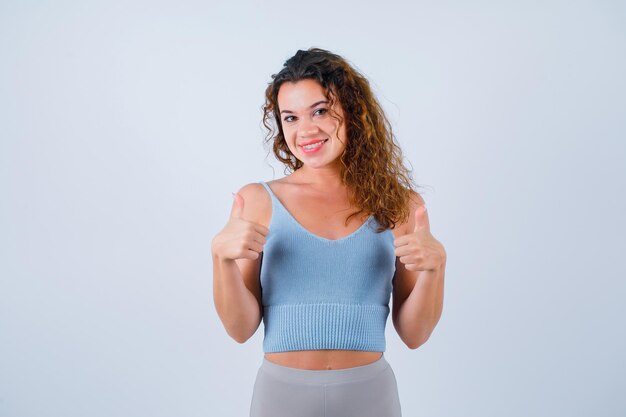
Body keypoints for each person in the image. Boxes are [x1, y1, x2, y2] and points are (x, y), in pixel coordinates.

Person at [211, 47, 447, 417]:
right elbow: (240, 329)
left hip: (370, 396)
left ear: (353, 110)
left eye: (320, 110)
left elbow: (414, 335)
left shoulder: (399, 204)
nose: (305, 130)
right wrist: (220, 260)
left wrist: (436, 268)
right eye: (290, 117)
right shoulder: (257, 201)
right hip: (281, 396)